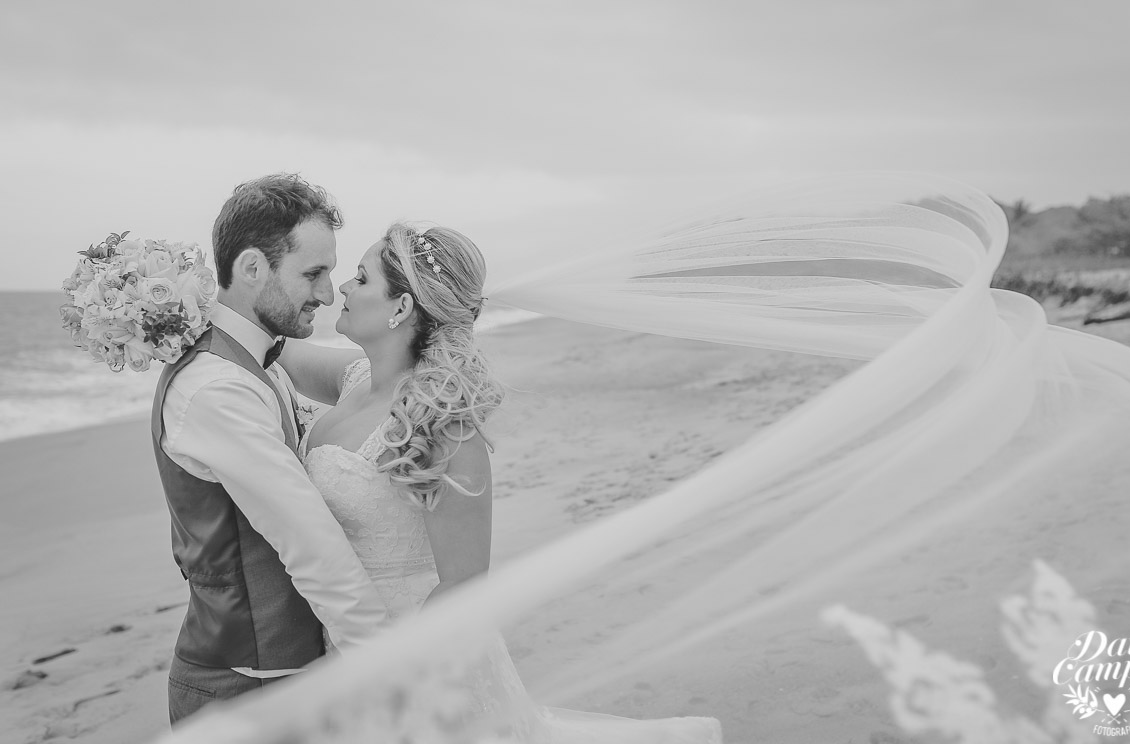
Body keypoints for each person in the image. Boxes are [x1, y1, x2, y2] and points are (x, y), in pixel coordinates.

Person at [279, 222, 723, 742]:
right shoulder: (353, 380)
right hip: (342, 634)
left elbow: (463, 581)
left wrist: (387, 677)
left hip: (422, 664)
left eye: (360, 277)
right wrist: (185, 311)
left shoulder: (442, 421)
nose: (344, 290)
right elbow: (265, 347)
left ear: (400, 307)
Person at [151, 174, 388, 725]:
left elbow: (358, 377)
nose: (329, 294)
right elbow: (312, 546)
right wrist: (393, 668)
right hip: (244, 697)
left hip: (291, 679)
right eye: (313, 273)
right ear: (253, 268)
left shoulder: (256, 357)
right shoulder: (217, 389)